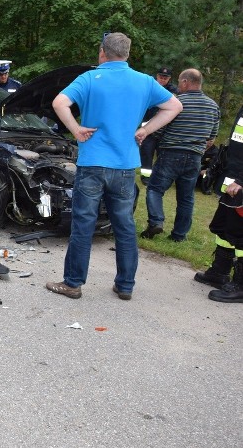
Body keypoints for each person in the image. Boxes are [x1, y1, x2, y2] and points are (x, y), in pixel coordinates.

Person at [44, 32, 182, 301]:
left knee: (84, 223)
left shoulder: (89, 78)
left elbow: (59, 102)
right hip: (124, 165)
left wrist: (75, 129)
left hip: (92, 163)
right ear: (127, 54)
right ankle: (125, 285)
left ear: (102, 52)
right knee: (125, 226)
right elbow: (174, 106)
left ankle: (73, 283)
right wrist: (145, 130)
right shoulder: (144, 81)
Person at [140, 69, 220, 242]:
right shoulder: (213, 106)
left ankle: (156, 222)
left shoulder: (176, 102)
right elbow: (211, 139)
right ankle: (179, 235)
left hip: (171, 153)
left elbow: (158, 128)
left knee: (155, 189)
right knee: (186, 198)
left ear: (185, 82)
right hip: (195, 158)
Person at [194, 103, 243, 303]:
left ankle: (240, 284)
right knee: (224, 227)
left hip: (240, 180)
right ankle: (219, 271)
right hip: (232, 175)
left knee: (240, 233)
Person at [139, 67, 178, 183]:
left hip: (164, 129)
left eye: (165, 77)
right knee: (146, 153)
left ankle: (160, 177)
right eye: (161, 76)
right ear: (157, 76)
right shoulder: (149, 86)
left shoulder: (173, 91)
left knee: (163, 154)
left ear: (169, 79)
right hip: (148, 127)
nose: (162, 79)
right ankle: (145, 177)